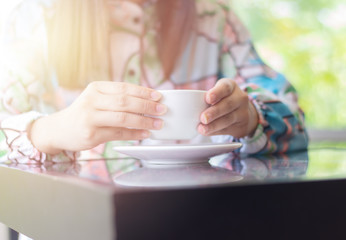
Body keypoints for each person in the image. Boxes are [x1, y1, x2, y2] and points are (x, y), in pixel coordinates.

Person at [0, 0, 308, 164]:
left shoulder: (213, 17)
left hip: (201, 215)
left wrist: (252, 117)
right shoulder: (36, 19)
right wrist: (50, 131)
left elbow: (294, 116)